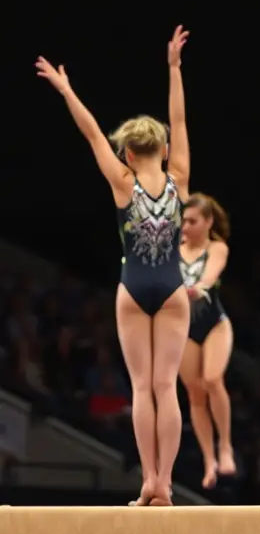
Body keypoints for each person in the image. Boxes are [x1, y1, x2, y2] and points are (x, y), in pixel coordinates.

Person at [36, 26, 192, 506]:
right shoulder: (179, 178)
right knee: (167, 387)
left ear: (127, 152)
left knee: (142, 387)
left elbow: (88, 131)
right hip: (171, 289)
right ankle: (165, 482)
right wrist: (173, 68)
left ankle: (147, 480)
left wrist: (66, 90)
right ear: (163, 150)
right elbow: (179, 120)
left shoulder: (122, 181)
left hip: (133, 288)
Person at [179, 192, 235, 488]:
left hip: (215, 324)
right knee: (195, 394)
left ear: (208, 222)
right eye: (183, 221)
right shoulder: (173, 251)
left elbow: (211, 274)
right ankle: (208, 460)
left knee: (213, 379)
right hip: (185, 331)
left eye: (192, 221)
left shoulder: (217, 247)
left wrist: (199, 286)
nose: (185, 226)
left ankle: (225, 446)